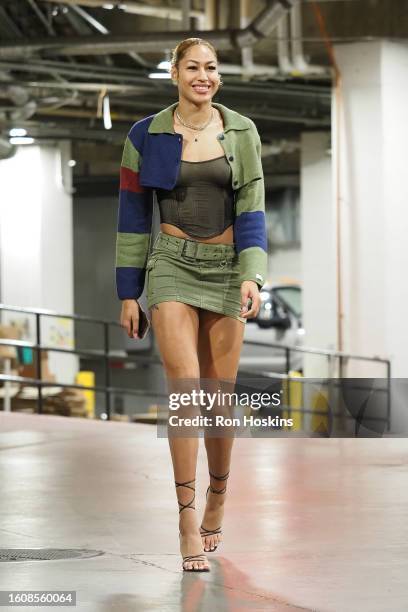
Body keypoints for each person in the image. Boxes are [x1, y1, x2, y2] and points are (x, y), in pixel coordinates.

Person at [115, 37, 267, 572]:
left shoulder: (241, 131)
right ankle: (184, 514)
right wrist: (128, 291)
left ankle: (218, 495)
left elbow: (251, 206)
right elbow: (133, 214)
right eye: (193, 68)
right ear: (175, 74)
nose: (203, 76)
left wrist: (253, 274)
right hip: (171, 265)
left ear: (217, 78)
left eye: (211, 68)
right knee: (185, 393)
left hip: (227, 269)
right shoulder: (146, 134)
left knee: (218, 399)